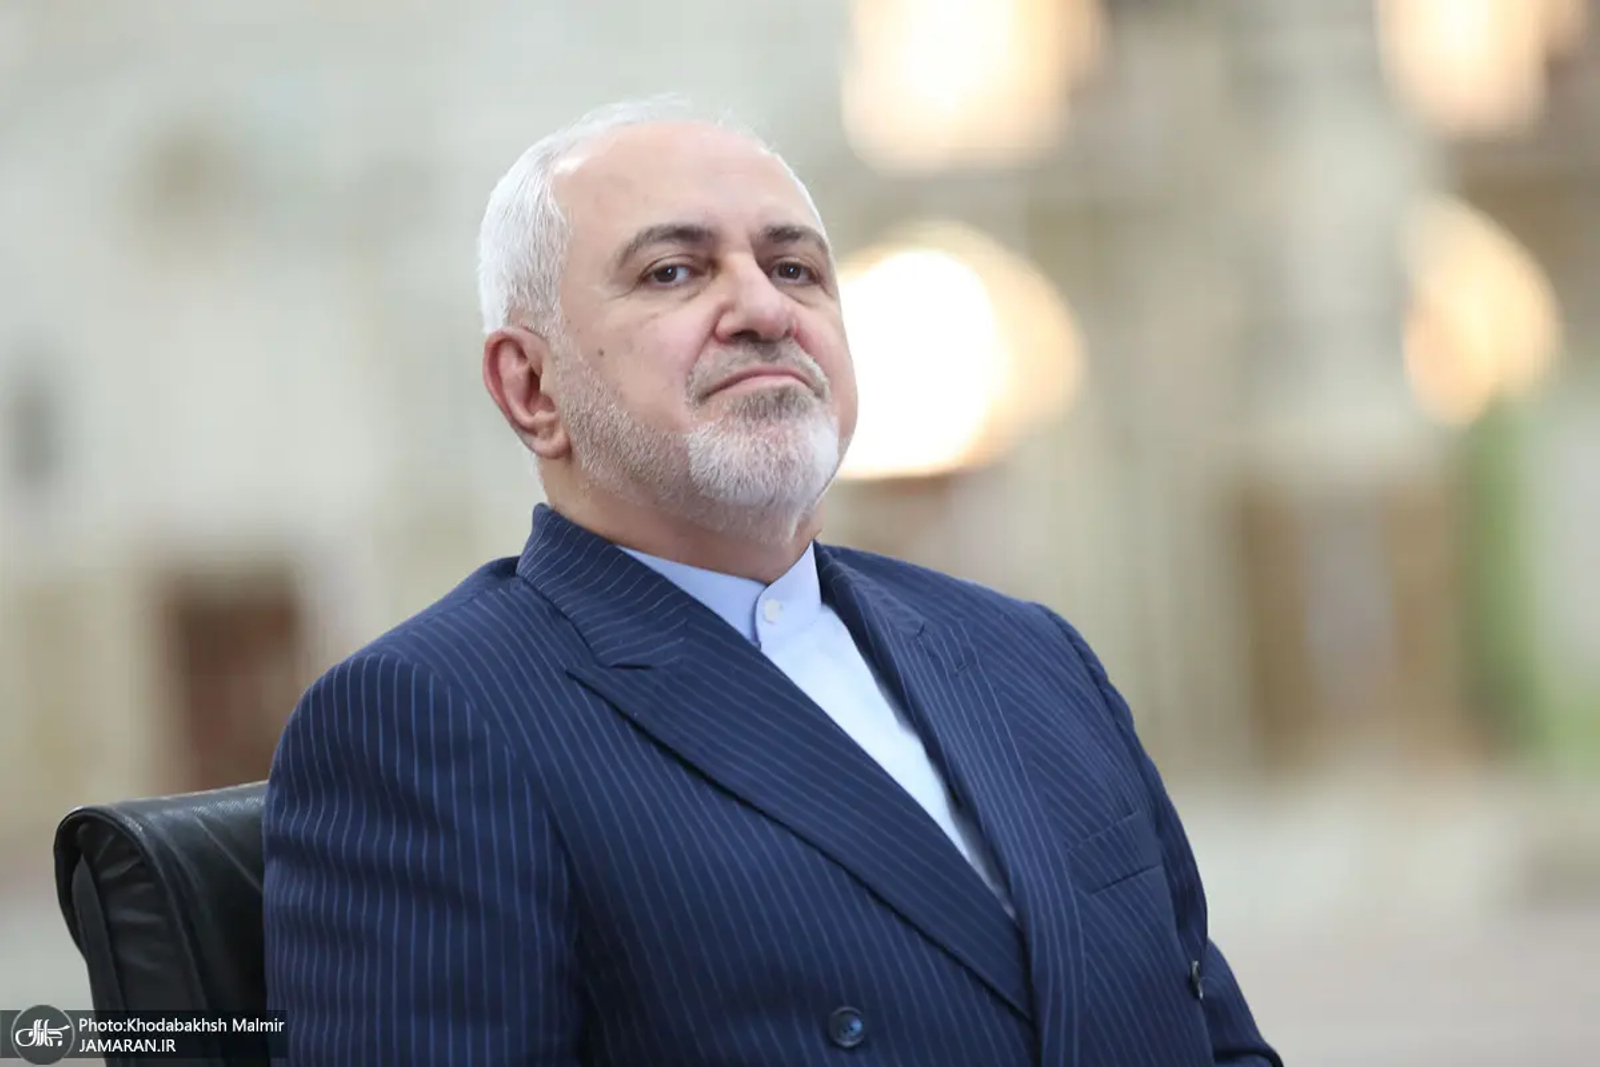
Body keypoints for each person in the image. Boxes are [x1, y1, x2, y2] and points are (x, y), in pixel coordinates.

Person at [261, 97, 1281, 1066]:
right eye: (672, 271)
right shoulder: (428, 719)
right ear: (531, 387)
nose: (762, 308)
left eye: (795, 268)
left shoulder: (1030, 653)